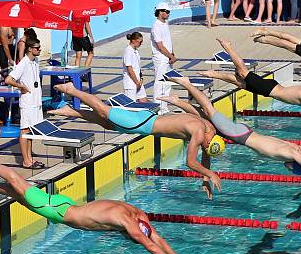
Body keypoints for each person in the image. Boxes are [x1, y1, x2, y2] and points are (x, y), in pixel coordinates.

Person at [0, 152, 189, 254]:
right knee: (17, 182)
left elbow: (156, 238)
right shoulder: (128, 223)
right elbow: (150, 244)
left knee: (21, 196)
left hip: (65, 203)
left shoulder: (137, 214)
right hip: (59, 212)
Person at [159, 75, 301, 191]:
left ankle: (177, 101)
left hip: (245, 132)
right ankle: (186, 83)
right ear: (294, 166)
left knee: (206, 120)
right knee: (210, 110)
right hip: (240, 136)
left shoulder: (296, 149)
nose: (287, 169)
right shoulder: (291, 154)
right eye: (291, 169)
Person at [49, 83, 224, 197]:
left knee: (107, 124)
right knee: (103, 111)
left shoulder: (208, 127)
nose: (203, 145)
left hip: (149, 117)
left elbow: (205, 153)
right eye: (206, 145)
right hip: (141, 124)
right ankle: (71, 90)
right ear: (210, 140)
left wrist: (206, 180)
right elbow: (190, 162)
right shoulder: (200, 133)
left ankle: (70, 111)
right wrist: (210, 173)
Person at [200, 39, 301, 142]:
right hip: (270, 89)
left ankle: (214, 74)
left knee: (242, 84)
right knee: (243, 72)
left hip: (273, 87)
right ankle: (228, 47)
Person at [5, 39, 43, 169]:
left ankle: (30, 159)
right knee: (24, 130)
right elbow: (8, 80)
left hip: (35, 102)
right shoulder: (23, 63)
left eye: (40, 47)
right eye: (37, 48)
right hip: (27, 103)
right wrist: (22, 87)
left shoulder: (35, 61)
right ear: (30, 49)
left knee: (31, 131)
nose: (39, 50)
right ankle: (26, 161)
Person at [150, 2, 177, 113]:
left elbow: (167, 41)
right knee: (160, 83)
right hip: (161, 59)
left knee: (167, 83)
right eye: (167, 12)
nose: (168, 14)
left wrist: (172, 53)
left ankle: (164, 107)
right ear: (160, 12)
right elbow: (160, 46)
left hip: (167, 57)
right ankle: (158, 107)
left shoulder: (165, 23)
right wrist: (170, 56)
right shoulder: (156, 27)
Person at [122, 32, 145, 102]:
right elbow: (130, 69)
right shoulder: (128, 51)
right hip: (131, 83)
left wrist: (140, 80)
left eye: (141, 42)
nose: (140, 44)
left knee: (143, 100)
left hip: (138, 81)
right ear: (133, 40)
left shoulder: (135, 50)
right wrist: (136, 82)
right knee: (131, 104)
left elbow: (137, 66)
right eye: (140, 42)